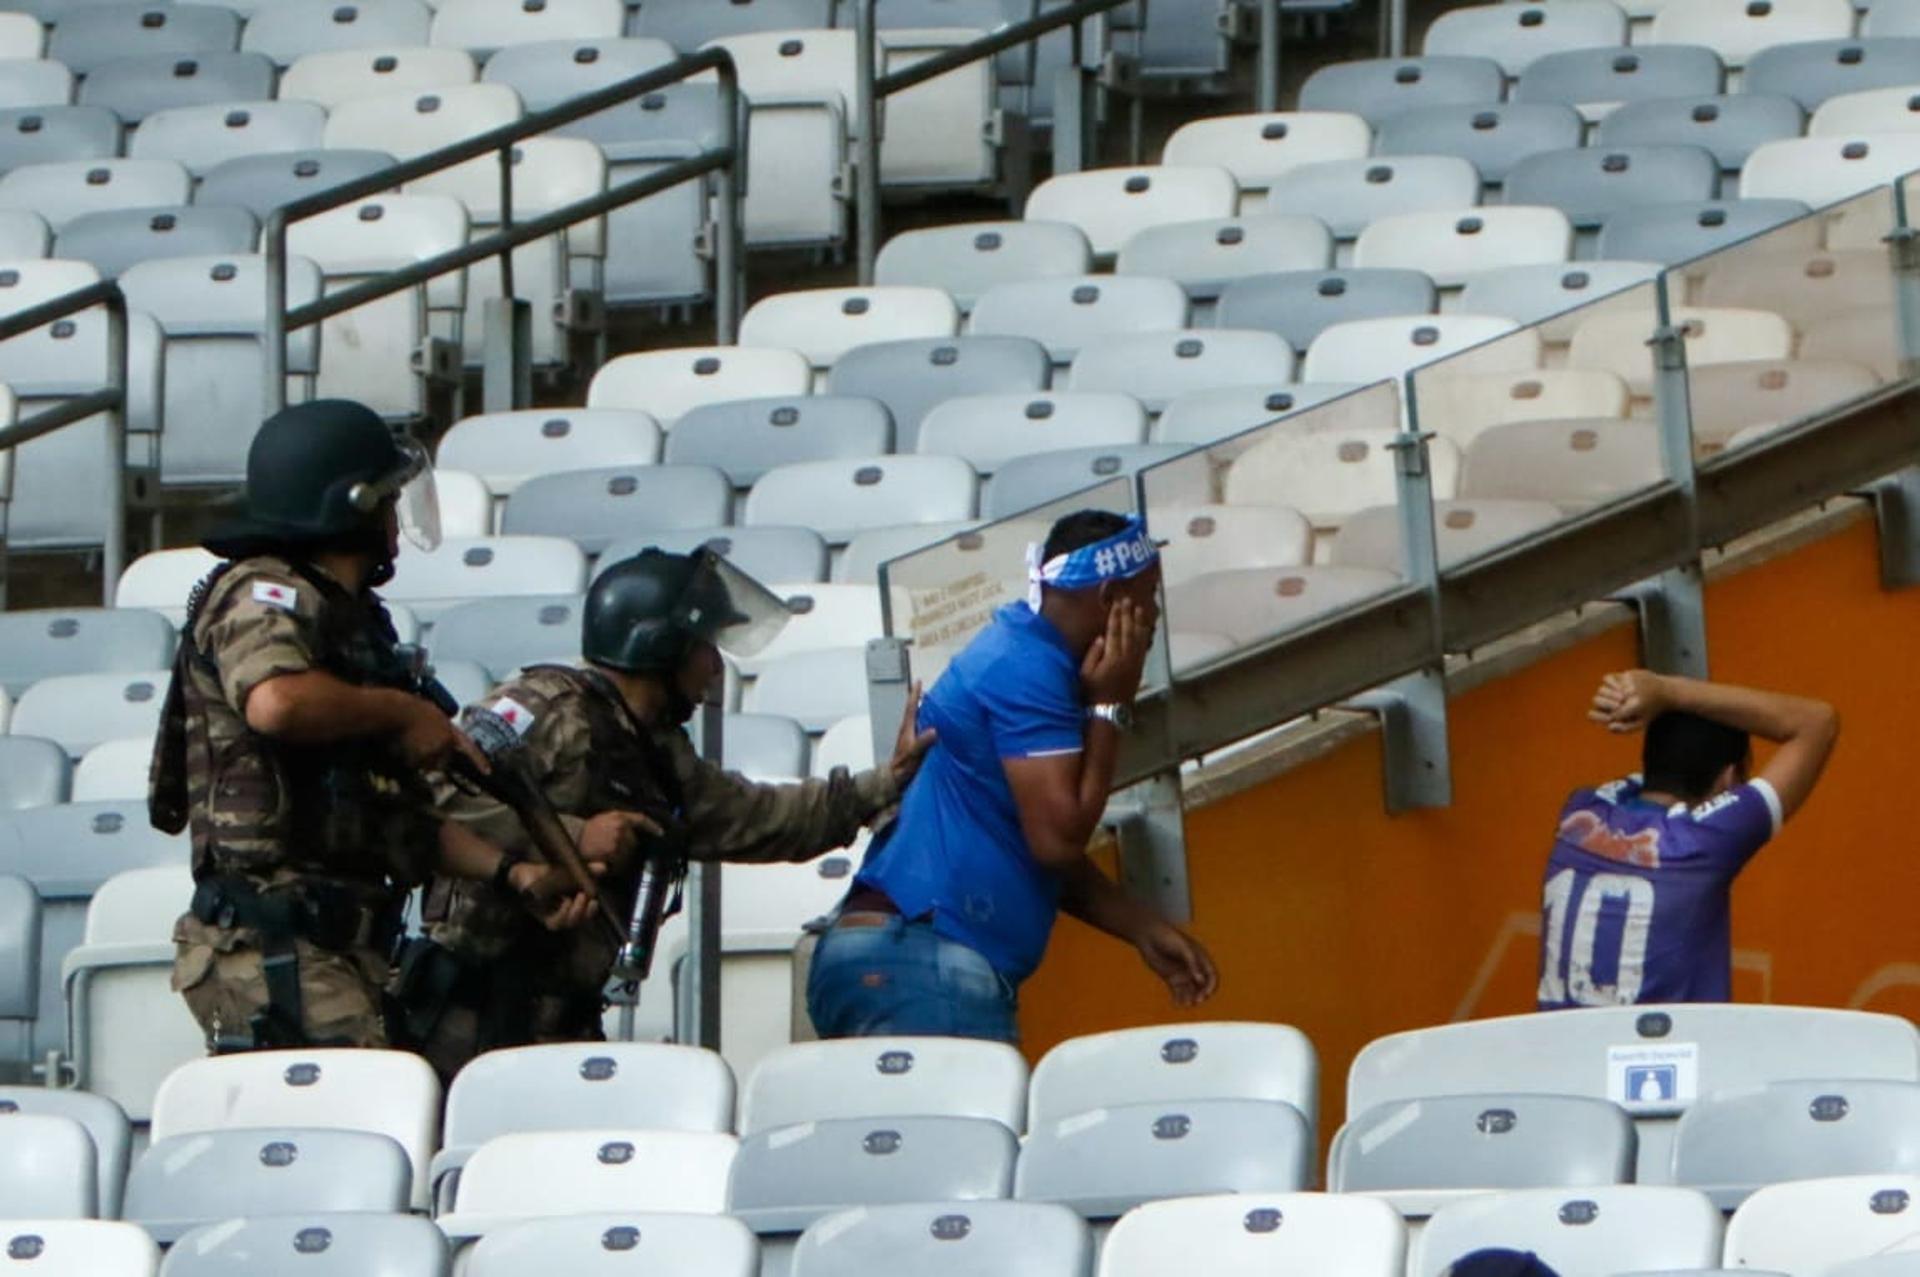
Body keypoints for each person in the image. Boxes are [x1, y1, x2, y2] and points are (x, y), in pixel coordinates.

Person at [401, 547, 936, 1081]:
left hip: (560, 1025)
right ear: (663, 646)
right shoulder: (548, 707)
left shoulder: (655, 752)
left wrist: (884, 782)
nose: (713, 667)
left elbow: (759, 818)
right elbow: (429, 796)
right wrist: (576, 836)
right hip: (468, 1022)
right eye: (704, 646)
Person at [151, 400, 587, 1053]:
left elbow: (387, 816)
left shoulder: (351, 623)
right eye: (386, 501)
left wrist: (511, 873)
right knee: (382, 1115)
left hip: (336, 948)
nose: (395, 519)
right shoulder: (261, 591)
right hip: (270, 946)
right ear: (349, 508)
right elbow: (275, 702)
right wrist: (401, 710)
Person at [807, 509, 1219, 1044]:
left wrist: (1140, 927)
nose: (1155, 615)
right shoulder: (1030, 669)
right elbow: (1057, 840)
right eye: (1148, 596)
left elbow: (1027, 838)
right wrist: (1109, 707)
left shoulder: (1019, 647)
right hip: (927, 963)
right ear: (1112, 598)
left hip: (890, 954)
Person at [1536, 669, 1839, 1009]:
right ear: (1730, 779)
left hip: (1562, 1058)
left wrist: (1648, 697)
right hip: (1666, 1060)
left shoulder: (1578, 812)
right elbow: (1818, 722)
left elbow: (1659, 777)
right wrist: (1669, 692)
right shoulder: (1701, 843)